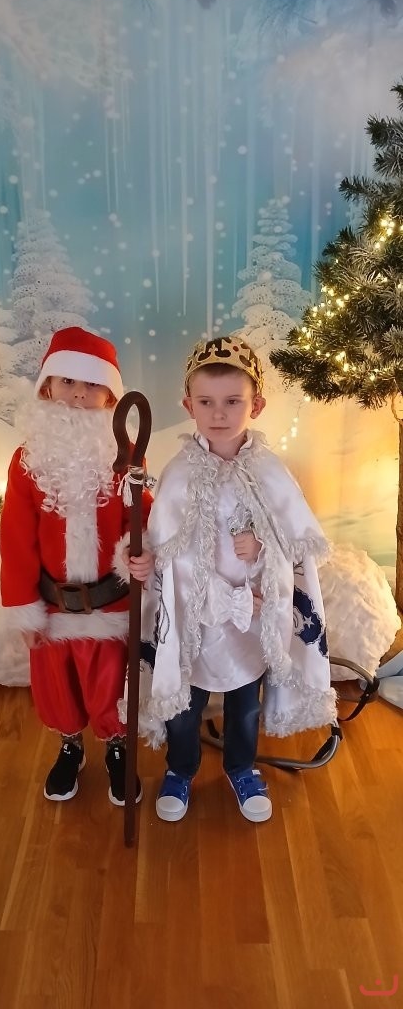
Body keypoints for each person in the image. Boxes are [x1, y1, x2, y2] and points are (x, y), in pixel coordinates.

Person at [135, 334, 336, 824]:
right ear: (189, 405)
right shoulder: (179, 472)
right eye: (206, 402)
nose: (218, 413)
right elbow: (162, 545)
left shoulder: (269, 470)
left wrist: (263, 546)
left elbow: (298, 545)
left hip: (251, 616)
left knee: (245, 701)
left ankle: (241, 767)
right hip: (196, 619)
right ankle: (180, 768)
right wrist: (143, 564)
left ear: (256, 405)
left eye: (232, 402)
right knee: (187, 702)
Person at [0, 326, 154, 804]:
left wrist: (137, 549)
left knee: (110, 686)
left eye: (91, 385)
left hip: (111, 601)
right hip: (52, 603)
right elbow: (16, 537)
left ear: (110, 396)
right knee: (58, 689)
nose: (78, 394)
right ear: (47, 386)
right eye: (67, 382)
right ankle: (71, 746)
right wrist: (23, 607)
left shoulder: (125, 456)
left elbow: (141, 517)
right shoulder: (27, 461)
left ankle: (116, 746)